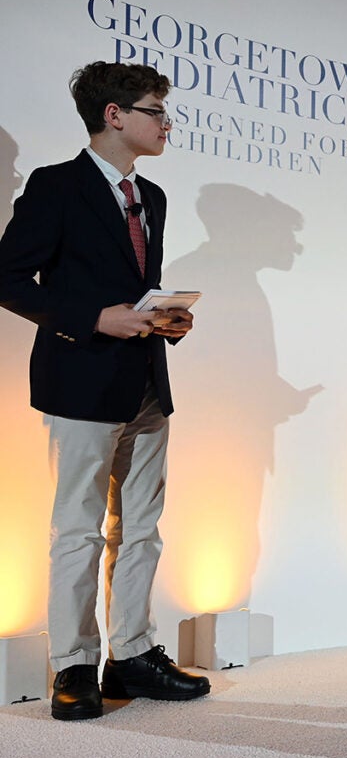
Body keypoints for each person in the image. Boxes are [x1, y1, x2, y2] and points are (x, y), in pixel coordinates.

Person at [0, 61, 209, 720]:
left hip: (145, 381)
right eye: (155, 110)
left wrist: (163, 318)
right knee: (78, 529)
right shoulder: (57, 186)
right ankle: (74, 665)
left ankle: (133, 655)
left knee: (141, 529)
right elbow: (8, 278)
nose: (165, 123)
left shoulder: (155, 198)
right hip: (80, 379)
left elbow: (130, 282)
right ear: (114, 115)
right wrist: (93, 318)